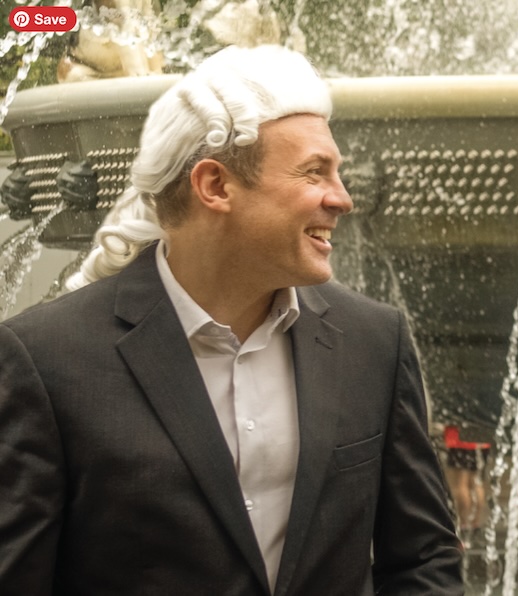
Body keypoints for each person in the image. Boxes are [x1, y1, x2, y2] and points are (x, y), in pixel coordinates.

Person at [0, 45, 463, 595]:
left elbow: (423, 558)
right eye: (314, 173)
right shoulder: (46, 360)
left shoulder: (375, 341)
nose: (342, 199)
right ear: (215, 186)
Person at [443, 424, 490, 546]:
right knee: (477, 482)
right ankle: (476, 523)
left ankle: (463, 524)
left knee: (460, 484)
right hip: (482, 440)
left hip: (461, 440)